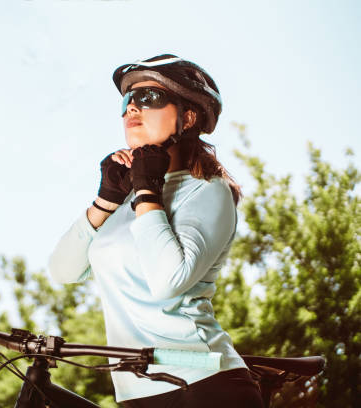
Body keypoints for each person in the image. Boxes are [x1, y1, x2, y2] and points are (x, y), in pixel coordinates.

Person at [48, 54, 263, 407]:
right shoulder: (129, 199)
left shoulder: (207, 191)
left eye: (149, 97)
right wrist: (105, 201)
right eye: (127, 100)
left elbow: (168, 281)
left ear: (188, 117)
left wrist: (148, 191)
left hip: (205, 385)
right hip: (136, 392)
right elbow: (63, 270)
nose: (133, 106)